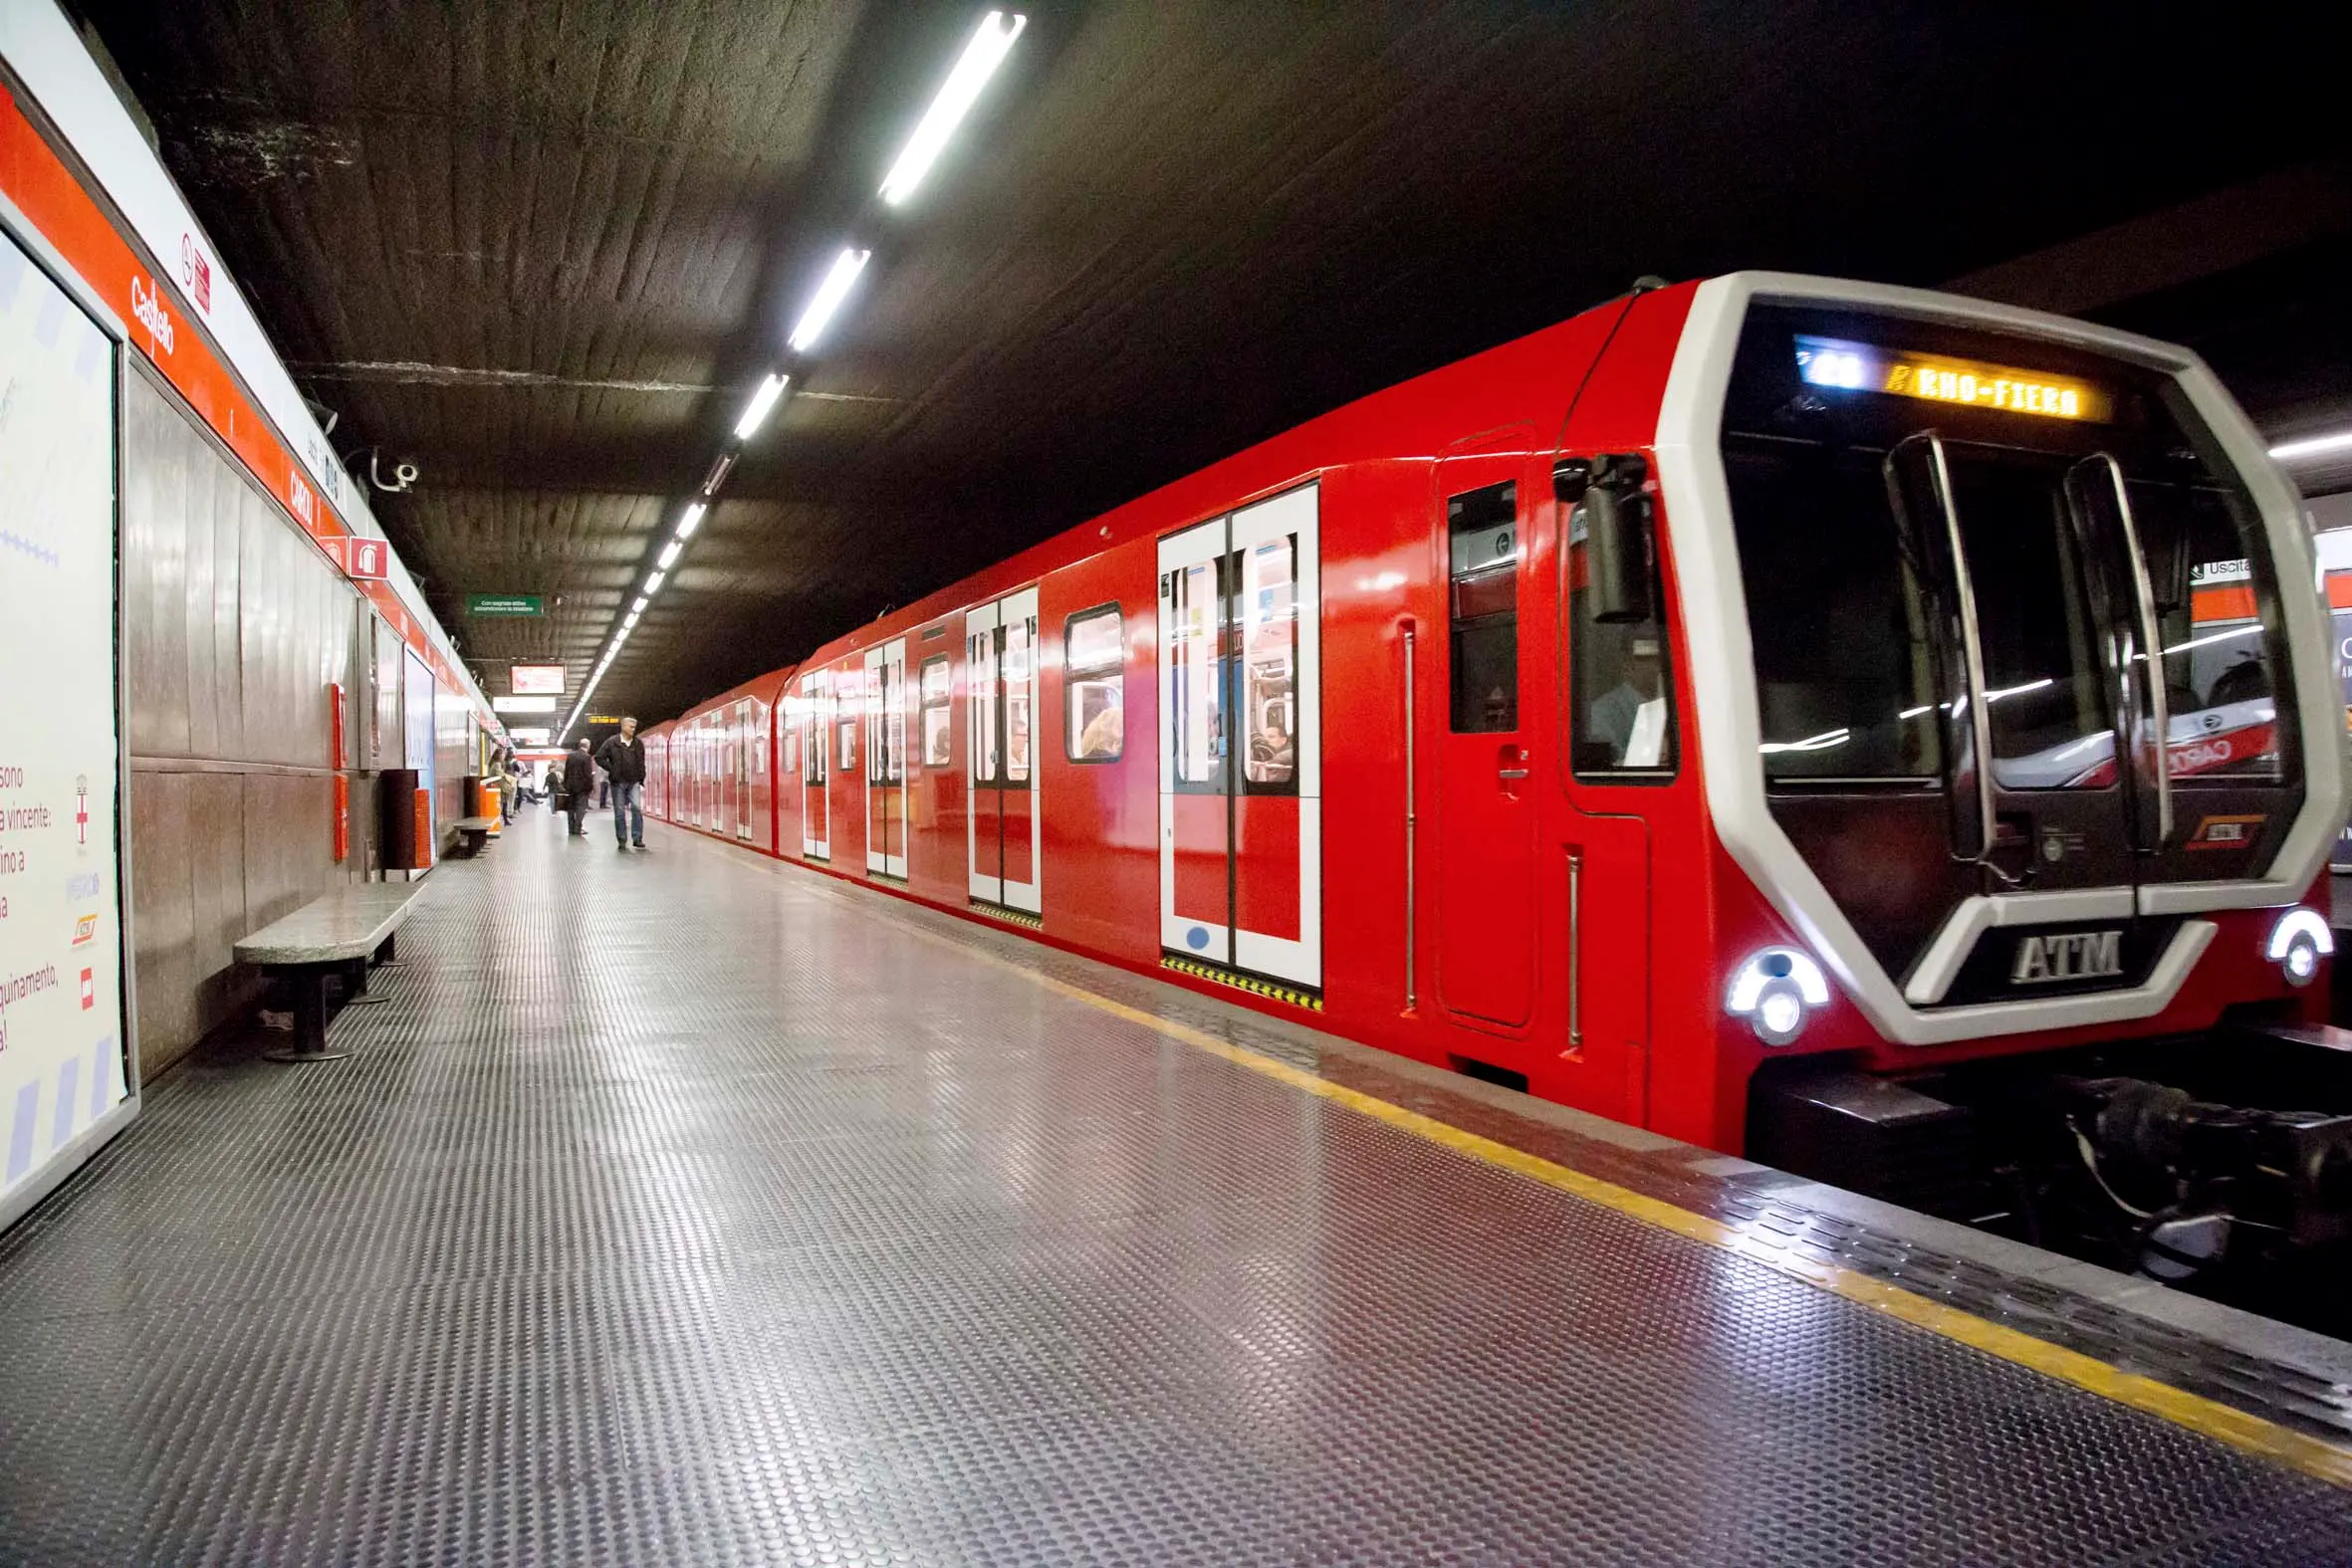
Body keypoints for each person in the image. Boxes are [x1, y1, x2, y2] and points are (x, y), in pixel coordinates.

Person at [595, 717, 649, 849]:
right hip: (618, 782)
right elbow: (599, 757)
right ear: (623, 727)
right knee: (619, 811)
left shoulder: (638, 743)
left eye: (634, 727)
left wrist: (642, 777)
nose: (633, 729)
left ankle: (637, 838)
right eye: (631, 726)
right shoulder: (612, 742)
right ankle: (622, 840)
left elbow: (641, 762)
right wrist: (612, 769)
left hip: (634, 781)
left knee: (636, 808)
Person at [561, 739, 596, 837]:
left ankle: (571, 828)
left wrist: (565, 785)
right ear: (587, 746)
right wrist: (591, 786)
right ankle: (578, 828)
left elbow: (566, 772)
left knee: (571, 808)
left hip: (570, 786)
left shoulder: (570, 756)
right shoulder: (587, 757)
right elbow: (587, 774)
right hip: (582, 787)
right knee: (581, 808)